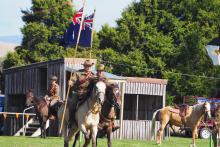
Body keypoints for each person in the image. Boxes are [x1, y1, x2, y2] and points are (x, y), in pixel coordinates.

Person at [95, 64, 120, 132]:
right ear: (97, 71)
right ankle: (97, 123)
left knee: (113, 105)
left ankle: (113, 124)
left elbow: (108, 85)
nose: (100, 72)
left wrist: (113, 85)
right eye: (99, 71)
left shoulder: (105, 78)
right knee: (97, 107)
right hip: (95, 97)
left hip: (104, 97)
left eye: (101, 71)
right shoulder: (94, 78)